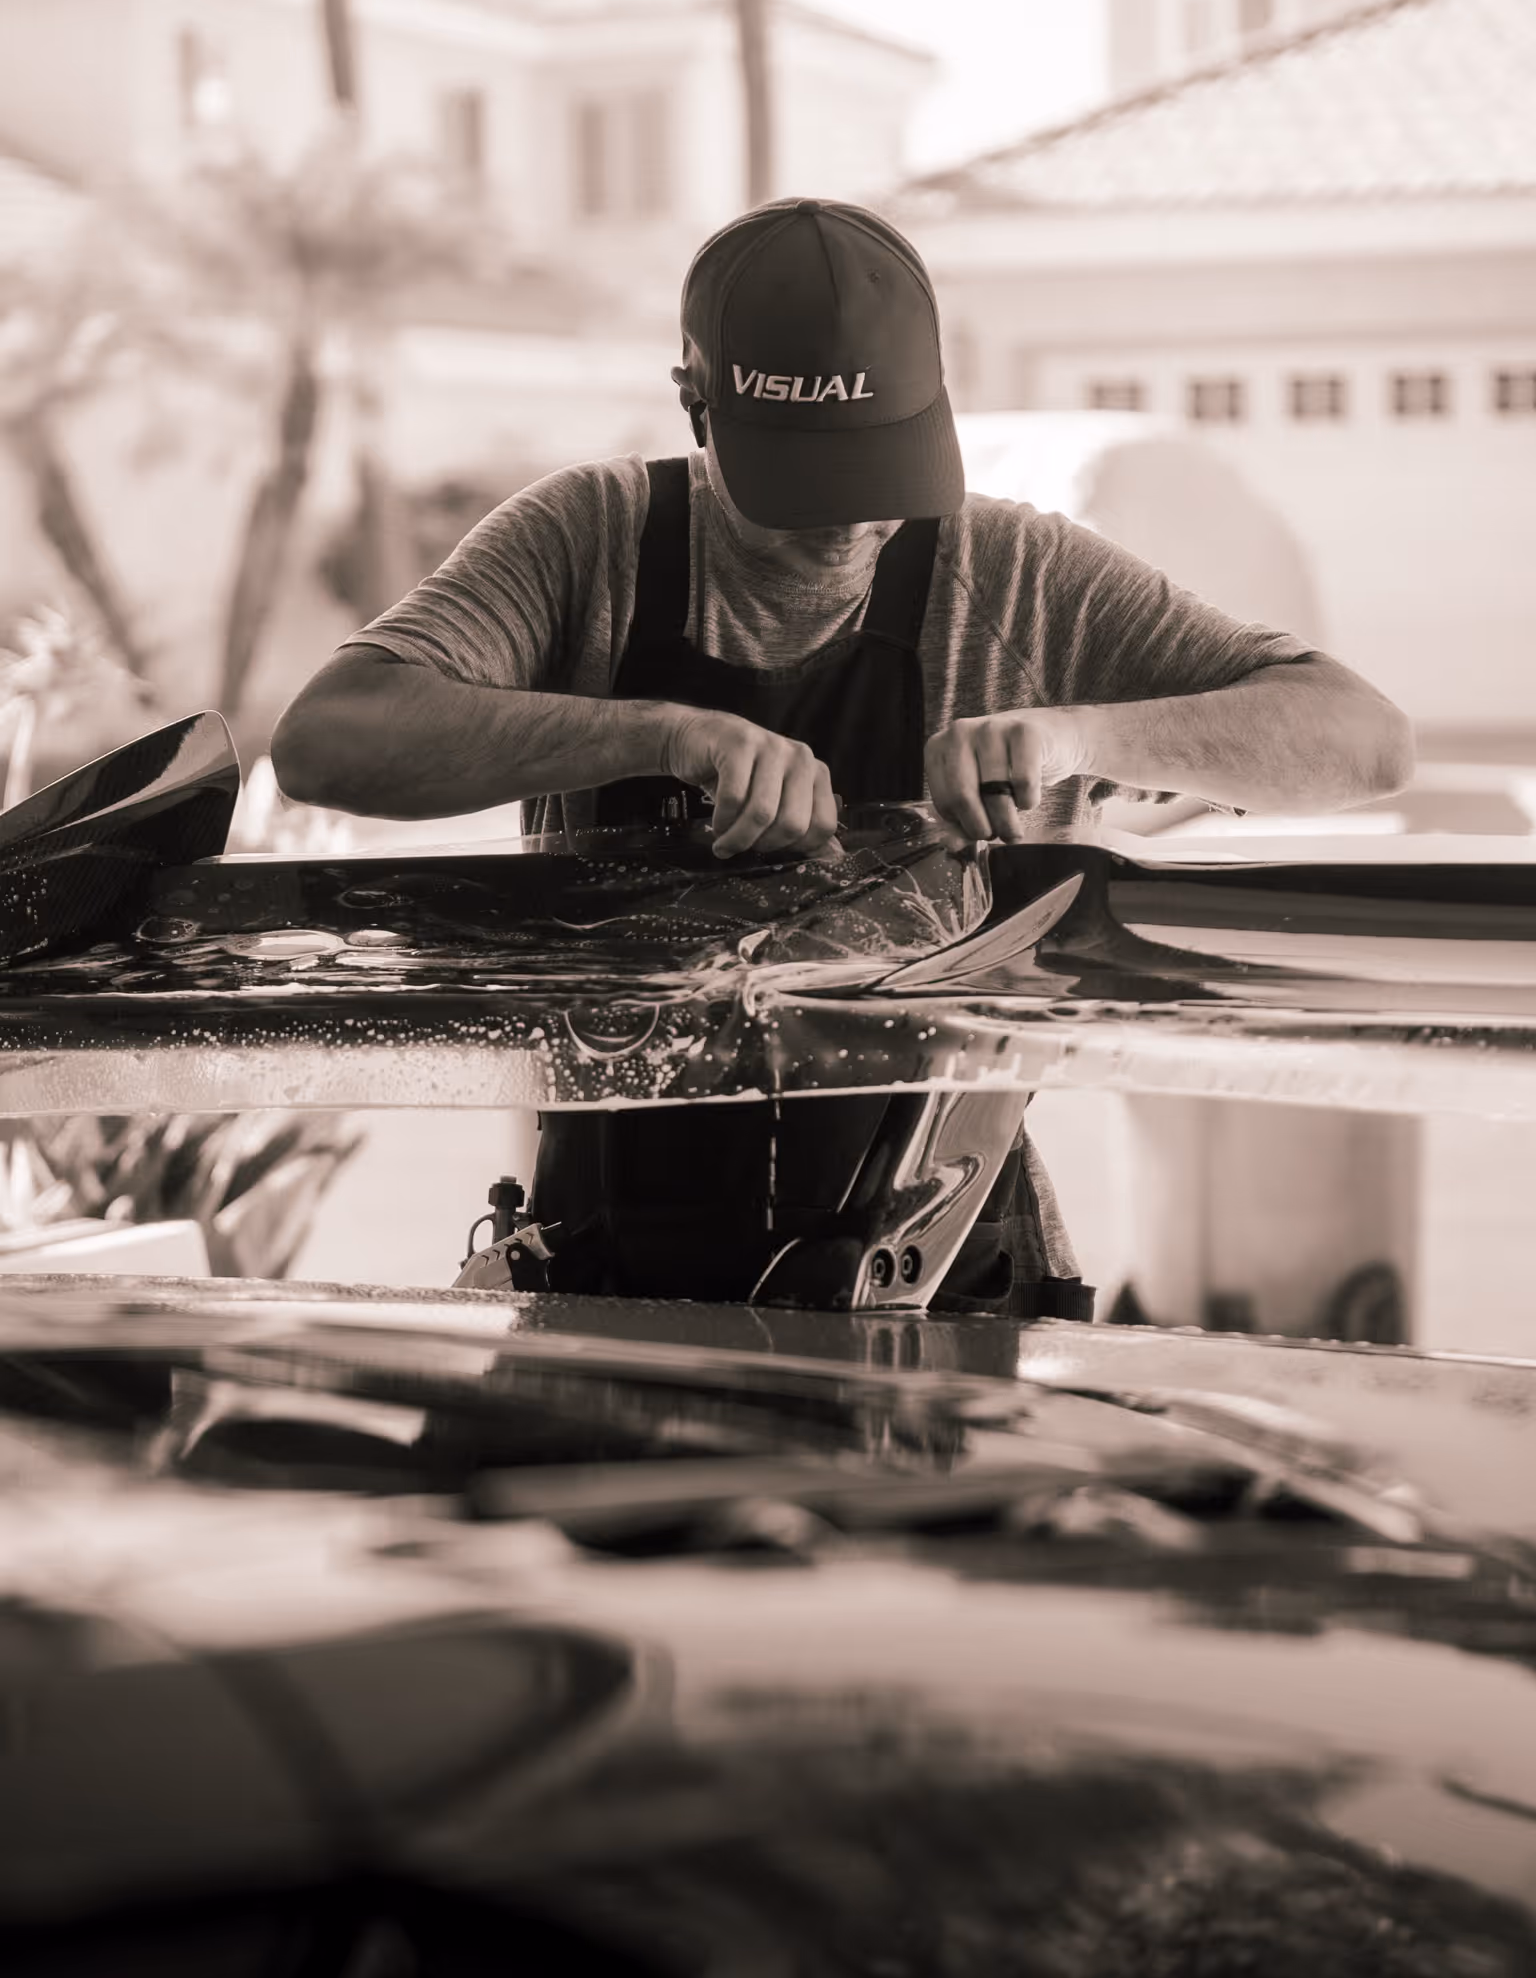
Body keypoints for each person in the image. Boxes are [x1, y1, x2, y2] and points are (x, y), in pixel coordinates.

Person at [272, 196, 1412, 1309]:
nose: (849, 523)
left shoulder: (1018, 576)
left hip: (944, 1270)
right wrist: (662, 734)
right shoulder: (588, 540)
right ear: (696, 403)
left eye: (879, 473)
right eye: (805, 485)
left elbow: (1360, 738)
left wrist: (1081, 734)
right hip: (608, 1276)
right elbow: (328, 739)